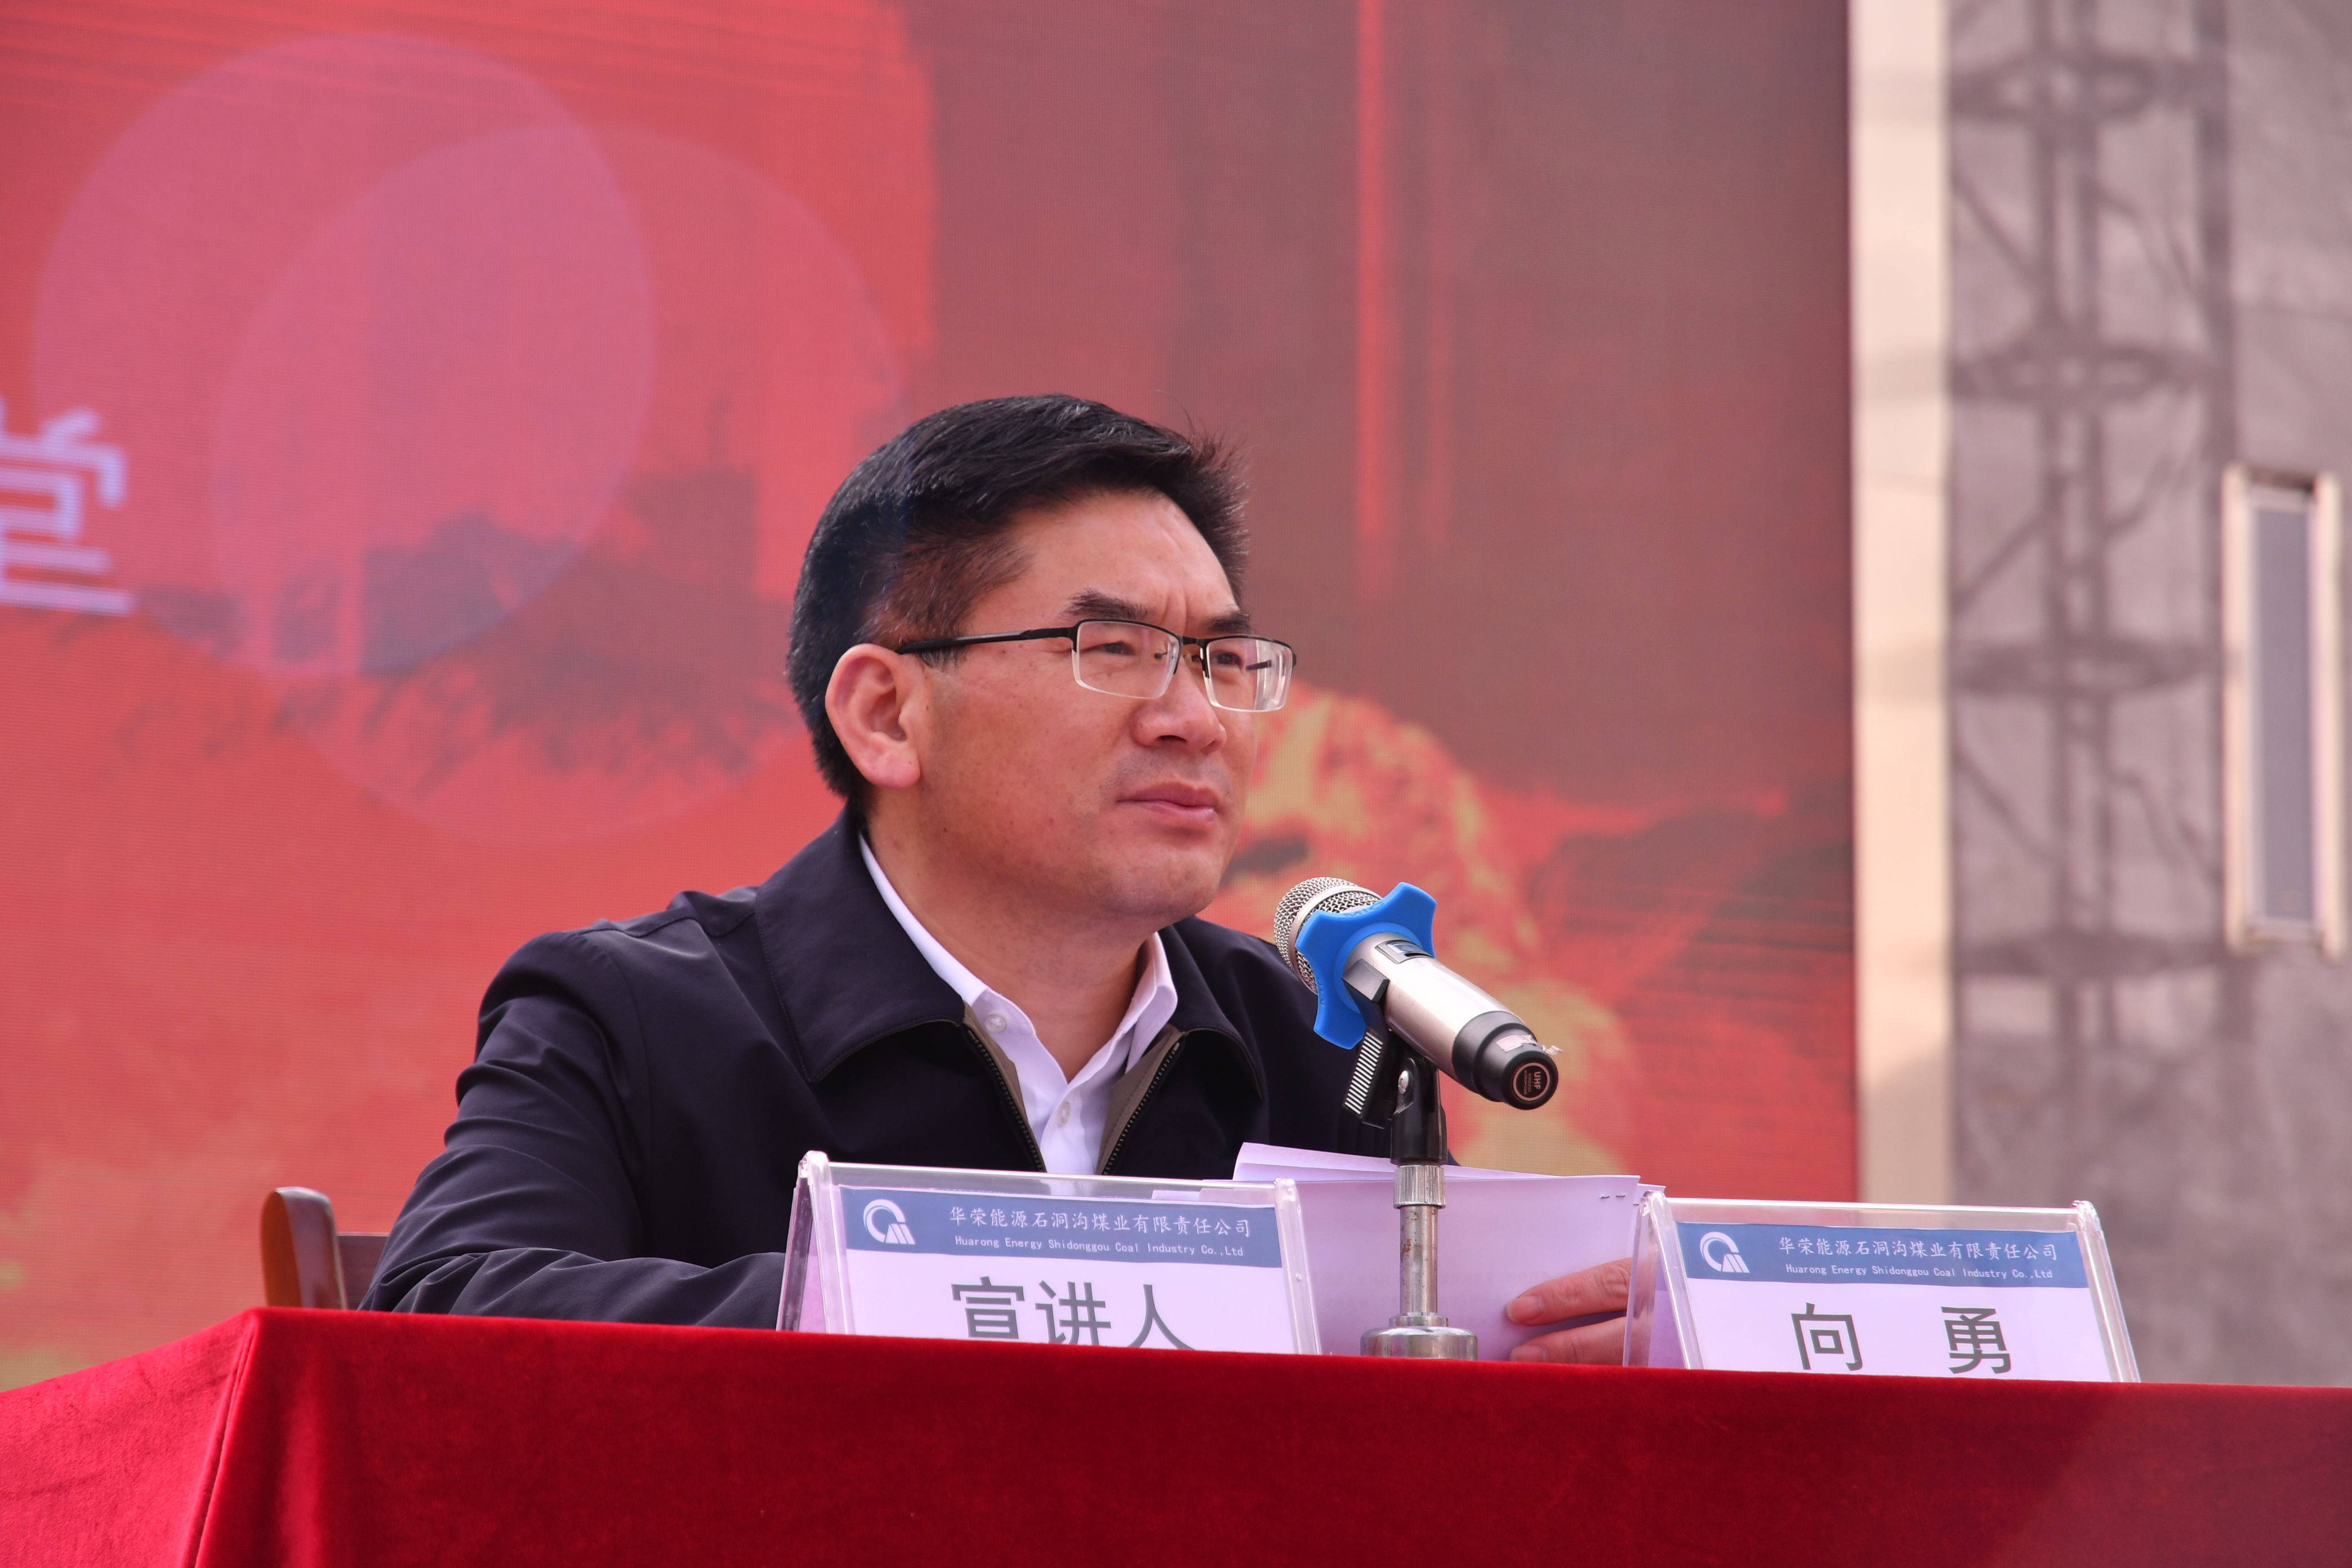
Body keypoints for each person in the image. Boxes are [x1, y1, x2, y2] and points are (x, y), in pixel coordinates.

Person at [363, 394, 1627, 1361]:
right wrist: (964, 1295)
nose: (1197, 720)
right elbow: (441, 1316)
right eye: (1114, 647)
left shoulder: (1311, 1042)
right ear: (887, 715)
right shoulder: (632, 1015)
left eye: (1224, 661)